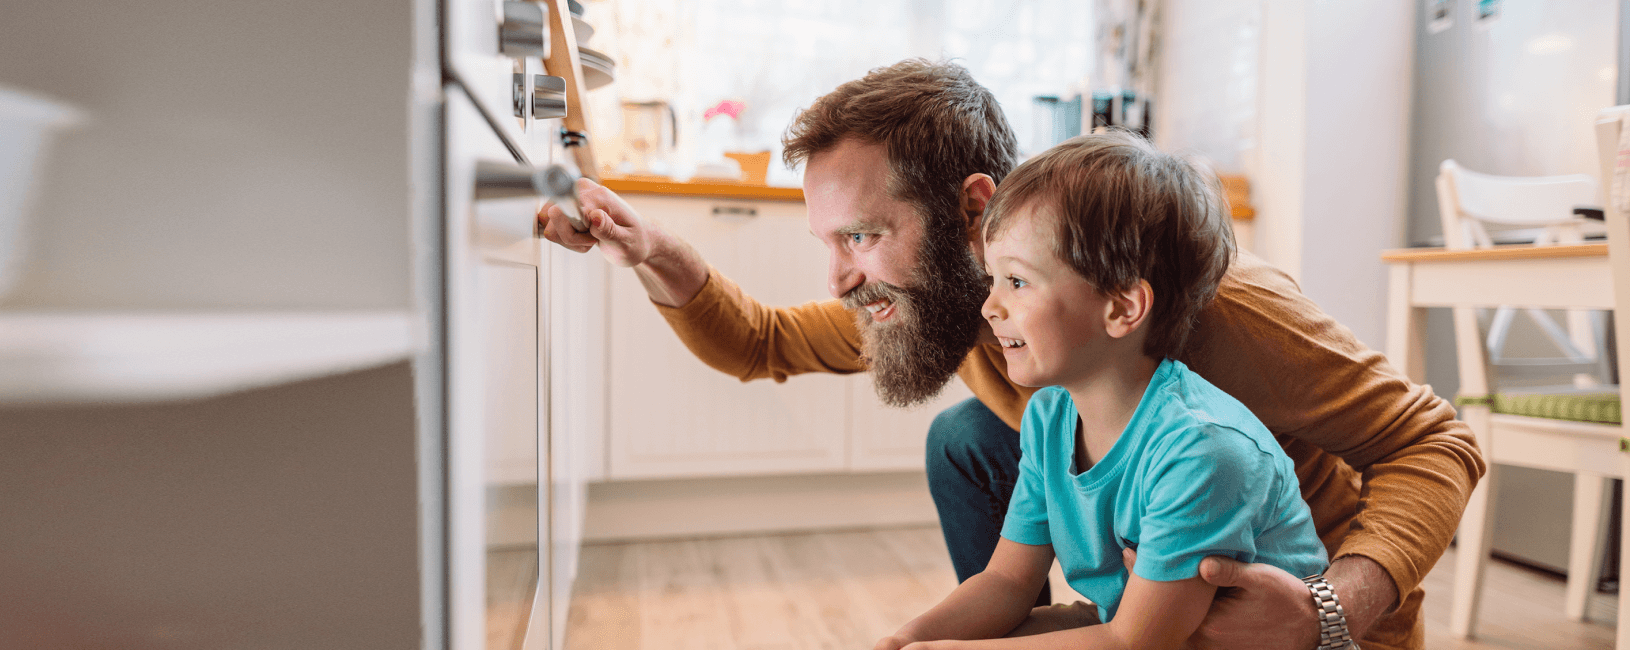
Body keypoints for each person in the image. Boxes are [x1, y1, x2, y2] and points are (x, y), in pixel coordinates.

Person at [539, 59, 1483, 650]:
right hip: (1159, 599)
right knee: (973, 438)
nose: (839, 282)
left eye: (863, 237)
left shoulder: (1218, 311)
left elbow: (1438, 444)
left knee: (972, 437)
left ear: (971, 209)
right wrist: (650, 249)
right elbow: (762, 341)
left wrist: (1331, 613)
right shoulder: (975, 310)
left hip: (1300, 620)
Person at [872, 128, 1330, 650]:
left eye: (1017, 282)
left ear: (1122, 308)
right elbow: (1007, 582)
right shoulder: (1049, 418)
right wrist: (905, 640)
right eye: (993, 280)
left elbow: (1134, 641)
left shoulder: (1202, 450)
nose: (989, 307)